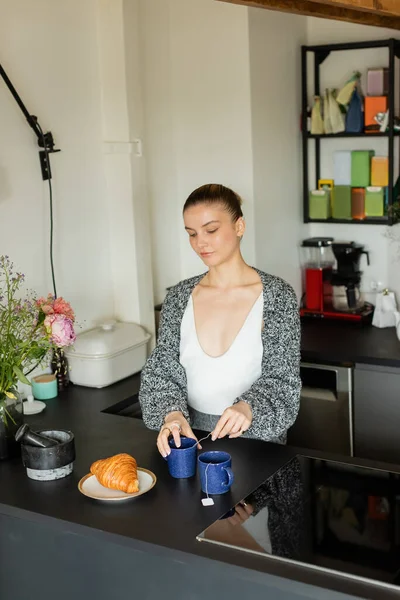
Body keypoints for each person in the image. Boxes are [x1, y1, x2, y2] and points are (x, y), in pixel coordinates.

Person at [139, 183, 301, 457]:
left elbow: (283, 377)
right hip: (190, 442)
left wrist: (248, 407)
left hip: (258, 447)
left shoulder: (277, 296)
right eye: (192, 234)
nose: (200, 242)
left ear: (239, 226)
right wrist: (172, 414)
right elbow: (163, 369)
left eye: (211, 230)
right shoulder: (179, 297)